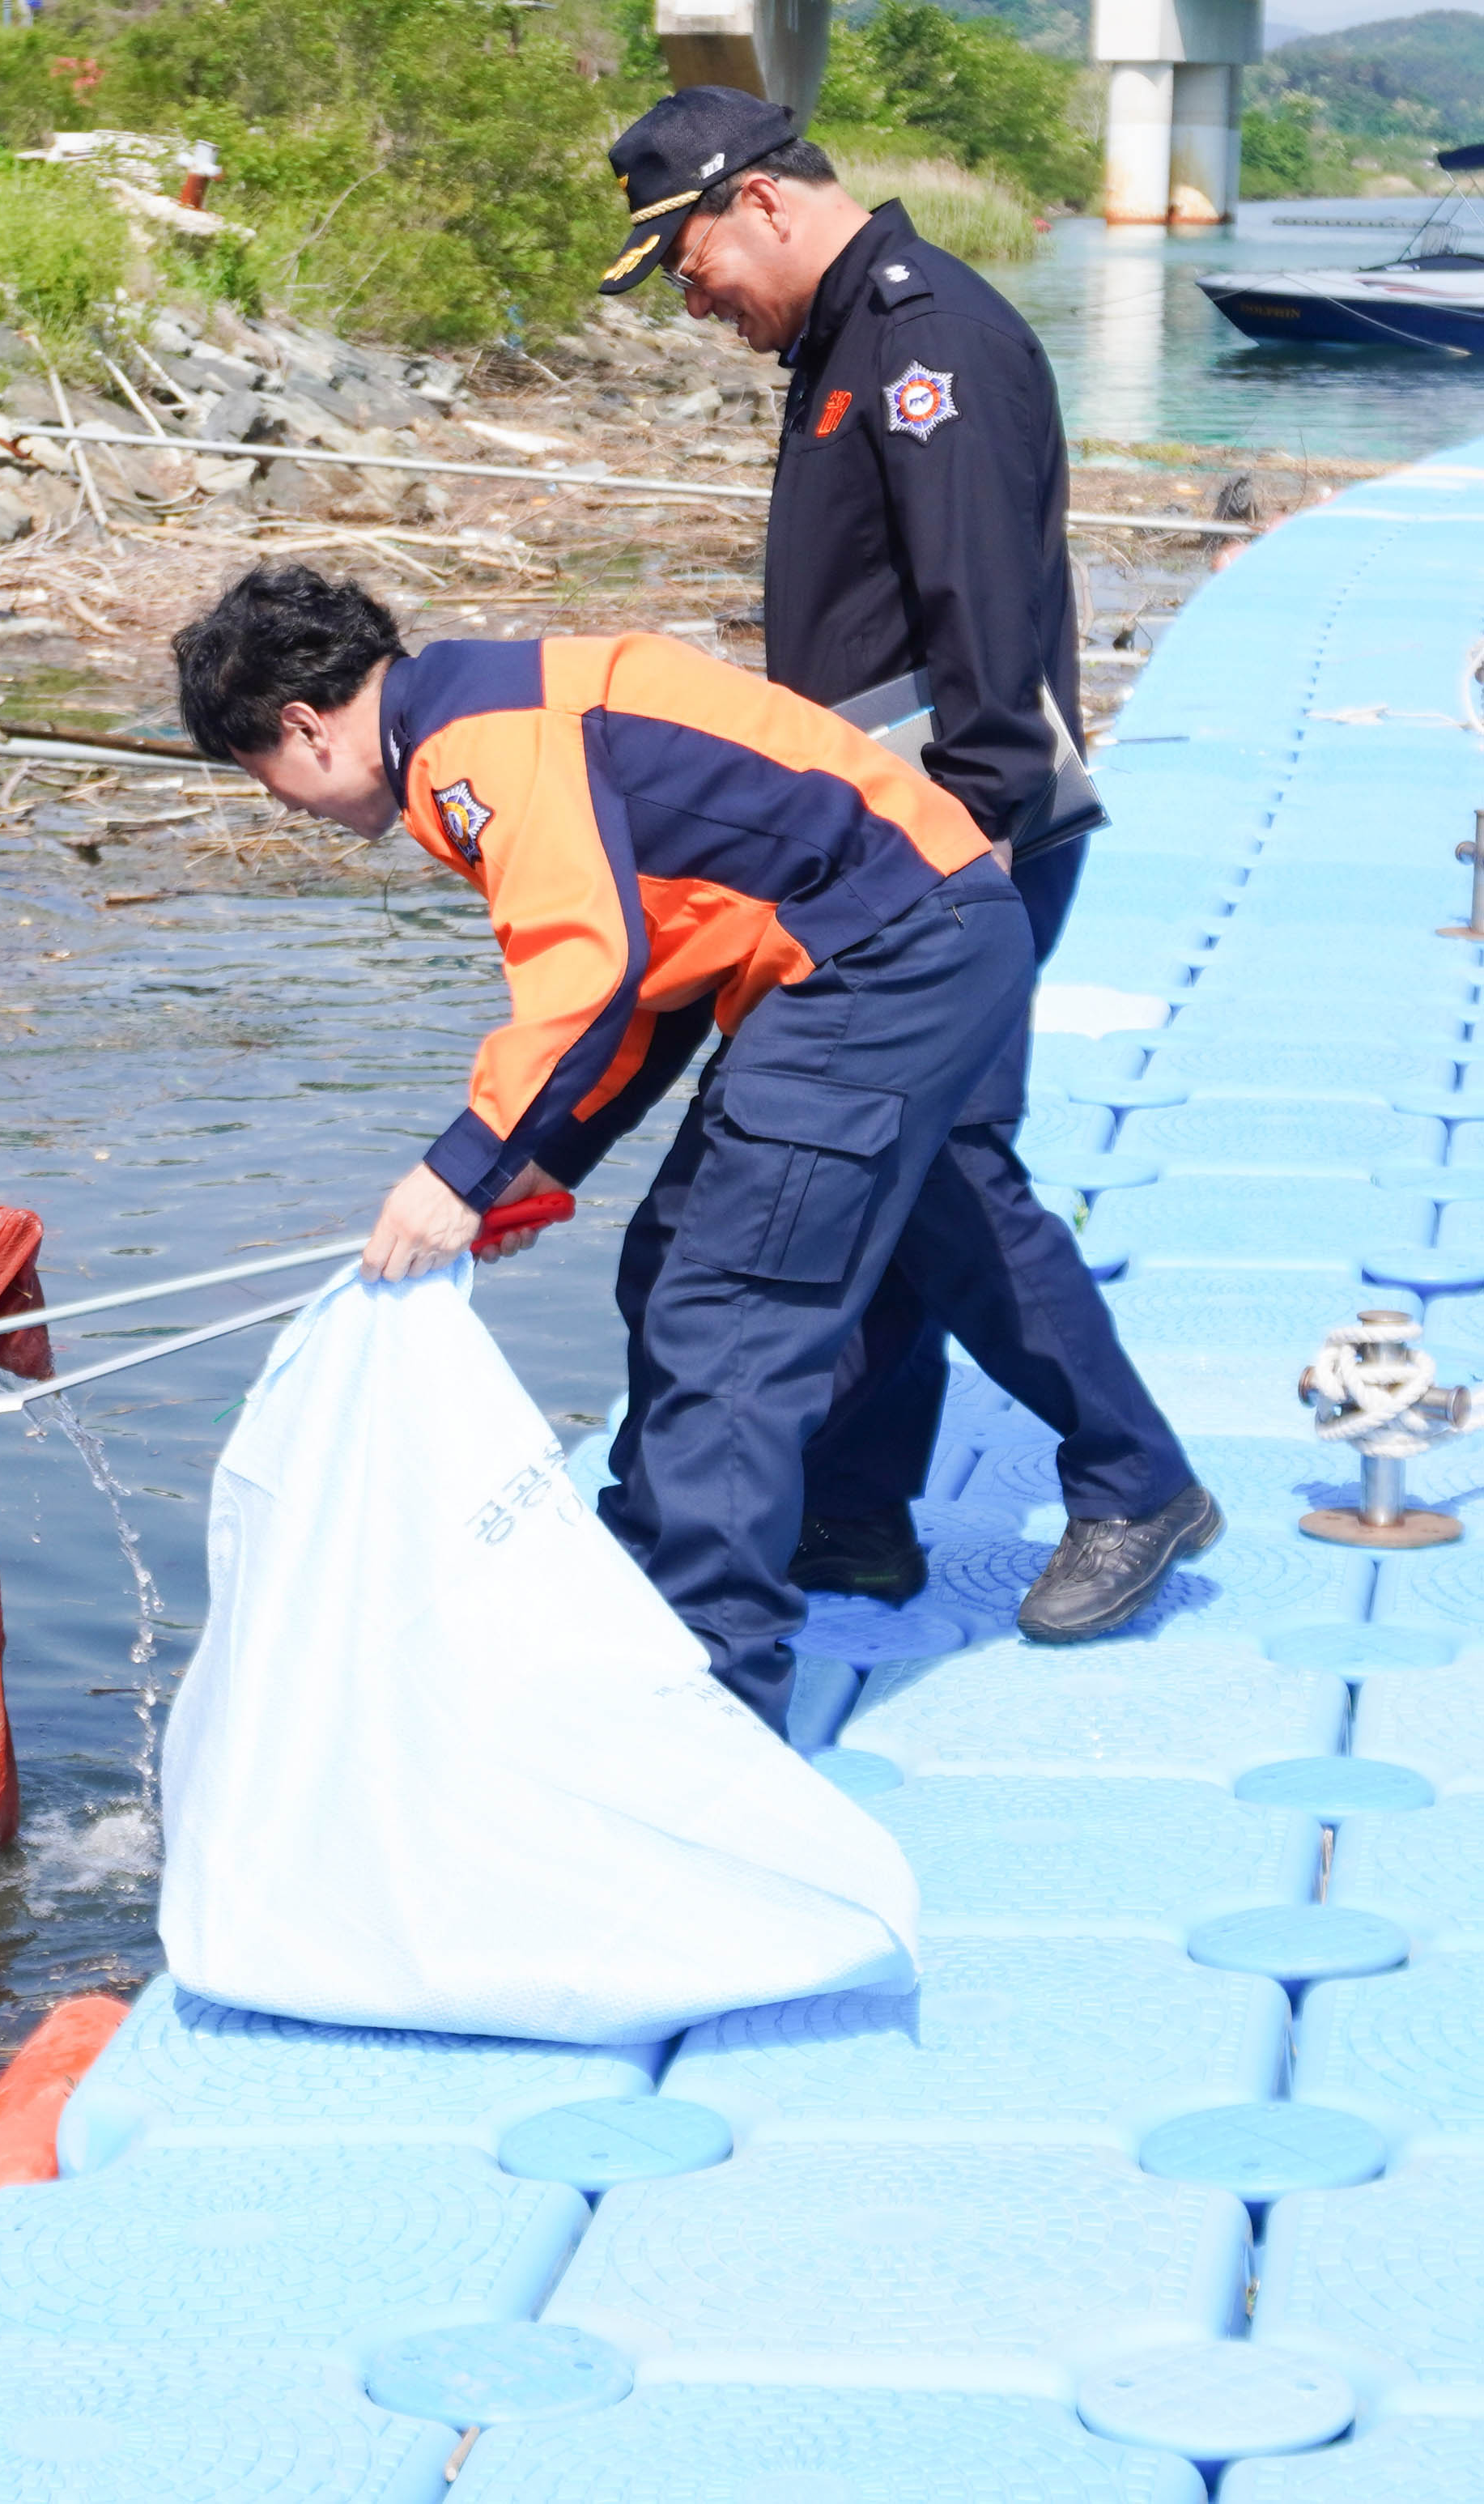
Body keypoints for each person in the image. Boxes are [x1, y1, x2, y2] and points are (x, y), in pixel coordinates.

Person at [175, 566, 1062, 1740]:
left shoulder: (474, 752)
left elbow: (583, 975)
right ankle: (652, 1575)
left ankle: (716, 1698)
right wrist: (544, 1157)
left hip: (894, 940)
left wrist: (455, 1171)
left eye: (262, 779)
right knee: (671, 1257)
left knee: (723, 1314)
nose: (281, 806)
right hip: (848, 943)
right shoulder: (459, 719)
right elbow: (653, 969)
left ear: (300, 725)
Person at [602, 87, 1211, 1641]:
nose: (689, 297)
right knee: (883, 1156)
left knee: (935, 1159)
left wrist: (964, 861)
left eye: (687, 263)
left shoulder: (923, 337)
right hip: (873, 837)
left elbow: (979, 624)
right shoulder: (842, 345)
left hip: (951, 840)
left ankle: (1130, 1474)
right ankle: (855, 1510)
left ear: (761, 203)